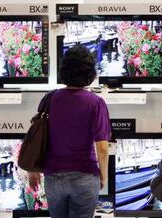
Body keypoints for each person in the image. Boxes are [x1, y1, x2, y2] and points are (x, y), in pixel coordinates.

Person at [29, 45, 111, 218]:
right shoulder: (96, 103)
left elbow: (37, 135)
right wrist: (103, 176)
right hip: (84, 175)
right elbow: (102, 147)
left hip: (53, 177)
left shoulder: (50, 98)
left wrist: (32, 168)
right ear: (90, 72)